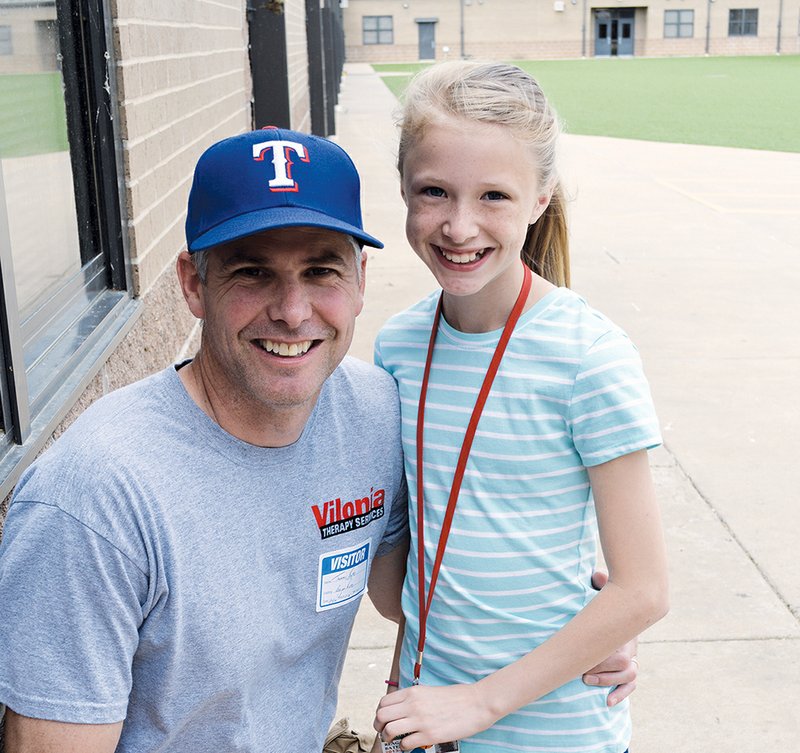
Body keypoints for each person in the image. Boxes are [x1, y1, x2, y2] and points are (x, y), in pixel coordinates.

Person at [0, 127, 411, 753]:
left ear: (359, 279)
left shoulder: (375, 416)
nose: (293, 311)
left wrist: (571, 627)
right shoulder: (94, 498)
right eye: (253, 272)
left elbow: (408, 595)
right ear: (194, 283)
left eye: (320, 269)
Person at [372, 61, 669, 752]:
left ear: (540, 200)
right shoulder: (398, 346)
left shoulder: (588, 356)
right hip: (429, 721)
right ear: (405, 191)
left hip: (555, 731)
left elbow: (644, 588)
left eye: (494, 196)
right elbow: (410, 573)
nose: (458, 224)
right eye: (434, 192)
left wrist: (479, 702)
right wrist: (404, 692)